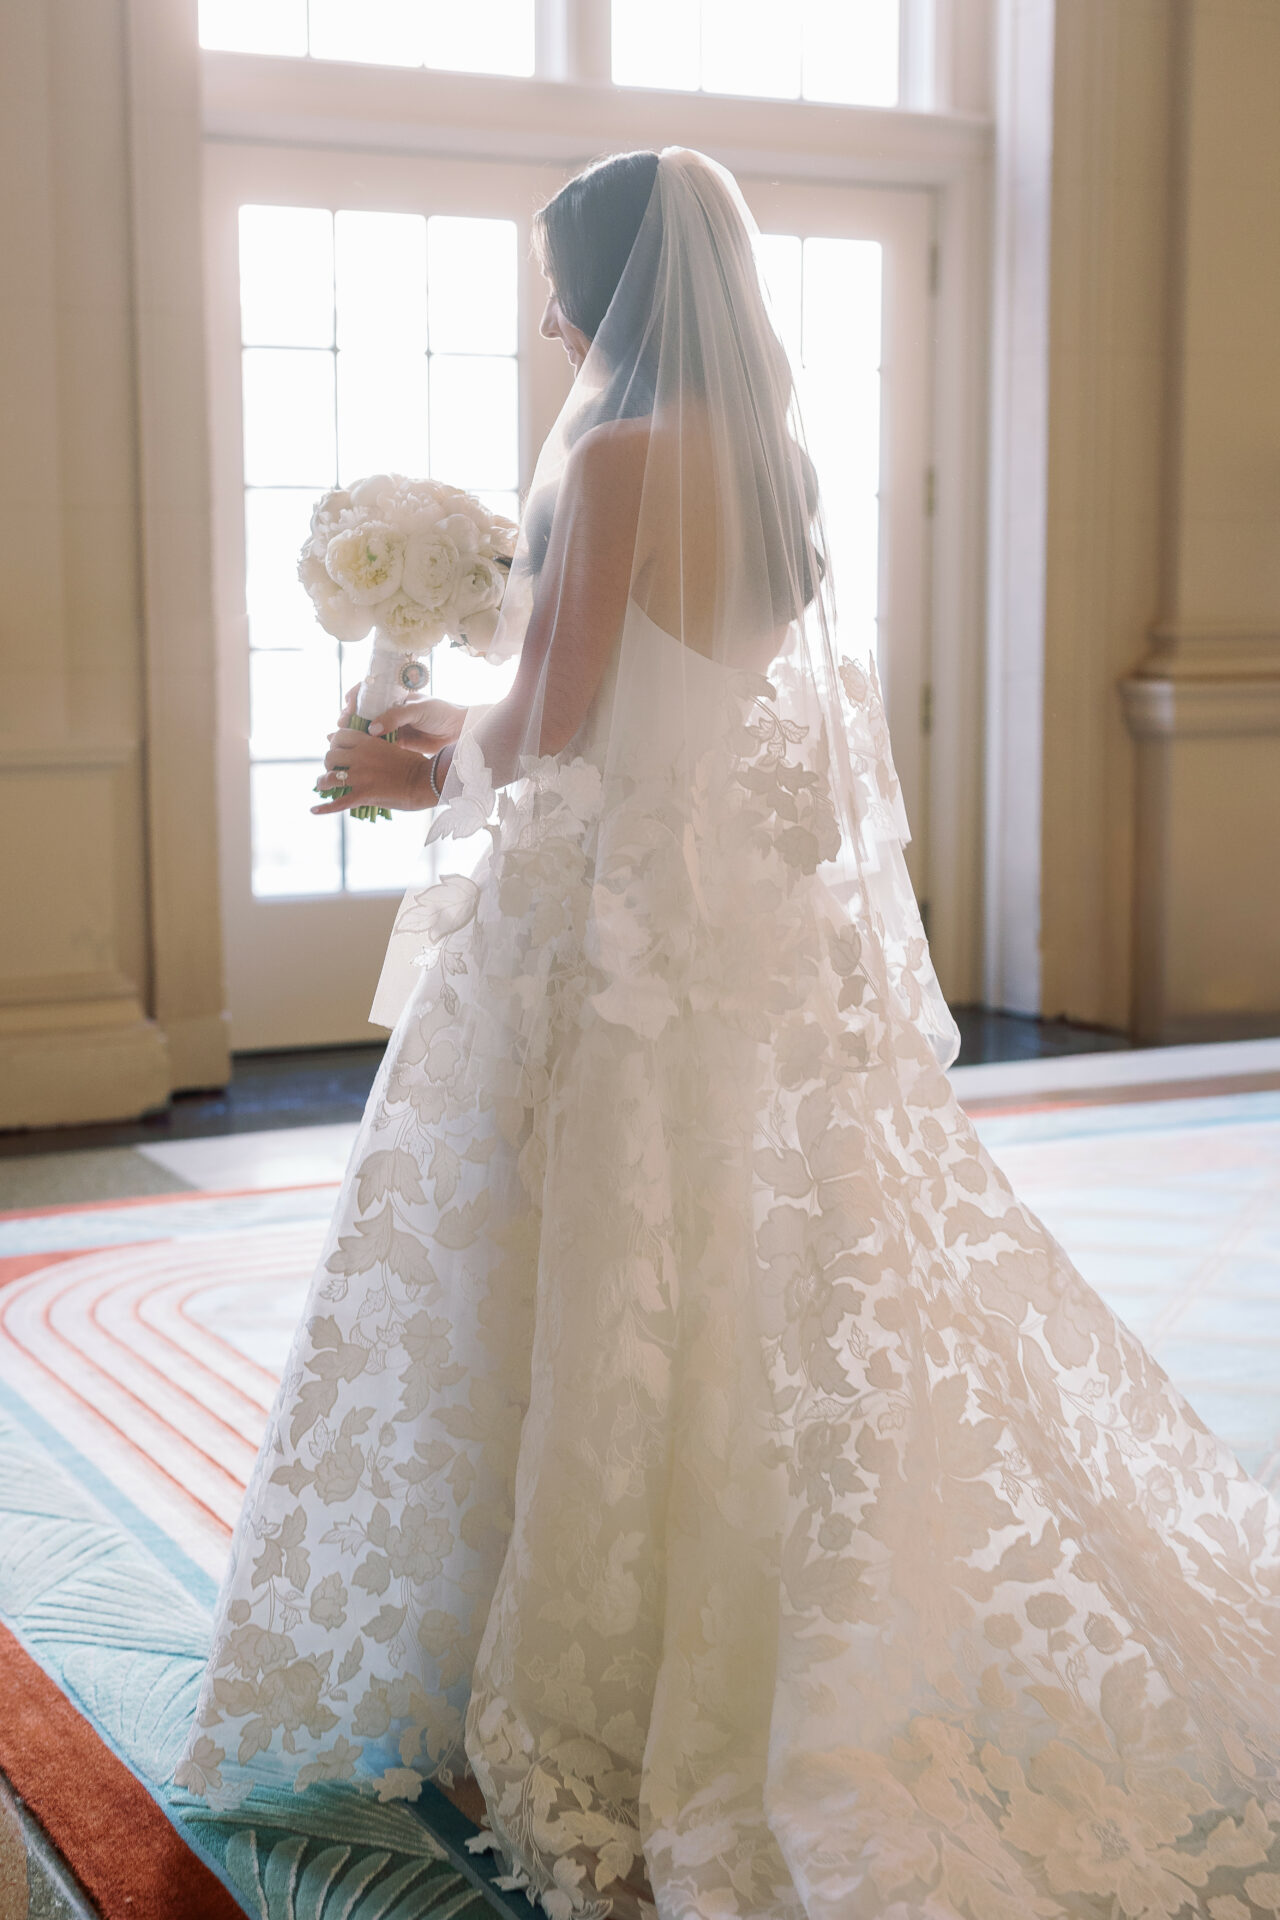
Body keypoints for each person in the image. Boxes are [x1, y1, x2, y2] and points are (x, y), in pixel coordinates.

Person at [176, 147, 1280, 1920]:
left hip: (604, 936)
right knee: (734, 1286)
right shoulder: (770, 459)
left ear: (613, 288)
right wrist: (477, 711)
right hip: (725, 949)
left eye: (558, 280)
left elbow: (552, 727)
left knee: (567, 1266)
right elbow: (666, 704)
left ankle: (570, 1676)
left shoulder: (610, 453)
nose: (544, 311)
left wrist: (406, 755)